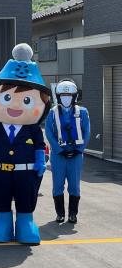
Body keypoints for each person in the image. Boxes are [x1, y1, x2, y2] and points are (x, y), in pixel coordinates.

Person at [0, 44, 50, 245]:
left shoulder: (32, 128)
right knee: (0, 199)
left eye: (27, 100)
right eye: (7, 97)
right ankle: (2, 221)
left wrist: (39, 159)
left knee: (25, 199)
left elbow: (39, 143)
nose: (15, 105)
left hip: (25, 171)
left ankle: (25, 221)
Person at [45, 79, 90, 224]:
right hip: (58, 155)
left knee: (74, 185)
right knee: (58, 184)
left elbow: (87, 131)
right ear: (57, 96)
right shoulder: (52, 112)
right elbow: (49, 132)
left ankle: (73, 214)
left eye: (69, 95)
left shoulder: (82, 112)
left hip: (76, 154)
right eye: (63, 95)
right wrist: (58, 149)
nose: (66, 98)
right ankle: (60, 214)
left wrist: (79, 150)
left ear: (74, 96)